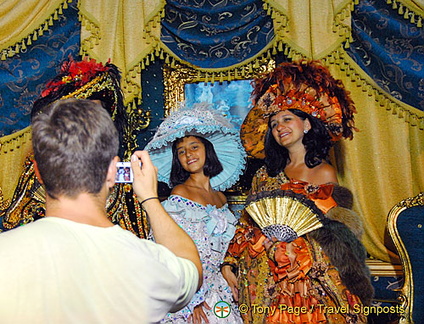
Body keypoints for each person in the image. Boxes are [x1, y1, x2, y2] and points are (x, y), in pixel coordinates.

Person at [0, 98, 202, 323]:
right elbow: (191, 266)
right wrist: (150, 198)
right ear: (112, 170)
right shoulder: (147, 260)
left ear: (37, 171)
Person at [221, 61, 374, 323]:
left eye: (287, 119)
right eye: (274, 123)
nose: (279, 126)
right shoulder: (263, 176)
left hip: (309, 278)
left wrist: (298, 251)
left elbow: (333, 232)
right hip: (265, 273)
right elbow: (246, 226)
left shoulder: (325, 173)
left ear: (306, 124)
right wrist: (229, 263)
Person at [0, 57, 149, 238]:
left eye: (98, 115)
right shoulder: (43, 165)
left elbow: (136, 233)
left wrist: (150, 201)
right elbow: (21, 219)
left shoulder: (120, 175)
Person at [145, 103, 246, 323]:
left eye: (194, 147)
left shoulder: (220, 197)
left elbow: (229, 246)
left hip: (221, 289)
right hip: (195, 293)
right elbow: (169, 251)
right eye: (181, 151)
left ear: (207, 150)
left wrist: (228, 268)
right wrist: (191, 299)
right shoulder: (180, 193)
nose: (188, 154)